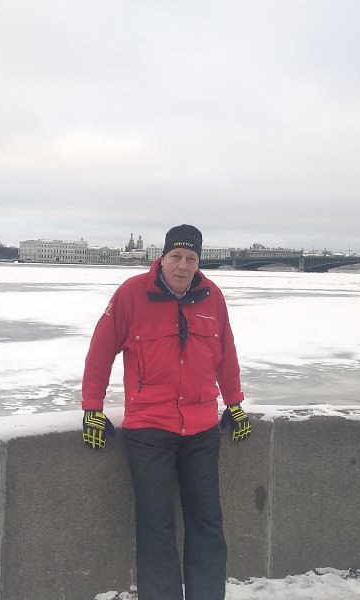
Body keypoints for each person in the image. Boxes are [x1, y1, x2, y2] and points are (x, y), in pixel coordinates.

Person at [81, 224, 251, 600]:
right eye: (176, 256)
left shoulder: (212, 296)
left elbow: (226, 354)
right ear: (163, 257)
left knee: (207, 523)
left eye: (191, 258)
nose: (183, 265)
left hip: (202, 429)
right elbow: (100, 351)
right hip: (149, 430)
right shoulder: (131, 294)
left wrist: (234, 403)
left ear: (198, 262)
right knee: (156, 527)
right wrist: (92, 407)